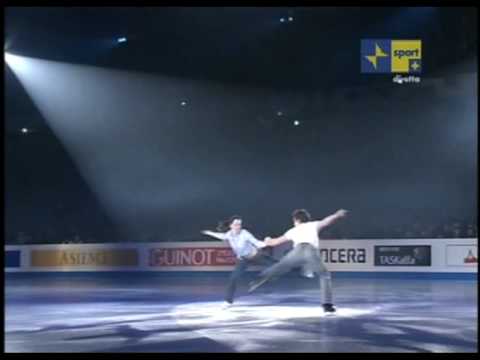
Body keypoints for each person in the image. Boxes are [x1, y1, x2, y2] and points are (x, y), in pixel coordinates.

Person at [248, 208, 349, 314]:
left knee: (280, 266)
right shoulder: (312, 225)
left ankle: (259, 279)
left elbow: (275, 242)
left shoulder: (293, 230)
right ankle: (327, 306)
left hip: (296, 252)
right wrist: (336, 215)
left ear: (296, 220)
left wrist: (267, 240)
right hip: (310, 251)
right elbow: (326, 221)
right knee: (324, 275)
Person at [202, 215, 277, 308]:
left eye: (240, 224)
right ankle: (228, 301)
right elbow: (222, 236)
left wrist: (267, 242)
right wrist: (209, 232)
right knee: (233, 279)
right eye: (236, 224)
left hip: (256, 256)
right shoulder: (229, 234)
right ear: (231, 226)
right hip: (243, 259)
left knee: (277, 265)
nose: (239, 226)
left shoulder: (245, 233)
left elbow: (257, 243)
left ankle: (263, 278)